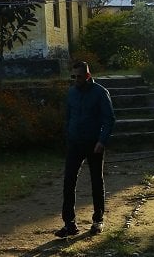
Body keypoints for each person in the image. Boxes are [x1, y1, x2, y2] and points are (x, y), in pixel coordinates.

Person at [55, 60, 116, 237]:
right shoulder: (72, 93)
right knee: (68, 182)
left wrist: (102, 141)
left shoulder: (100, 93)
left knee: (96, 181)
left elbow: (109, 119)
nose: (75, 79)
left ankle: (98, 220)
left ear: (87, 76)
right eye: (73, 76)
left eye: (79, 76)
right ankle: (69, 224)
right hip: (75, 143)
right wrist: (68, 134)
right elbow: (68, 116)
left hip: (94, 144)